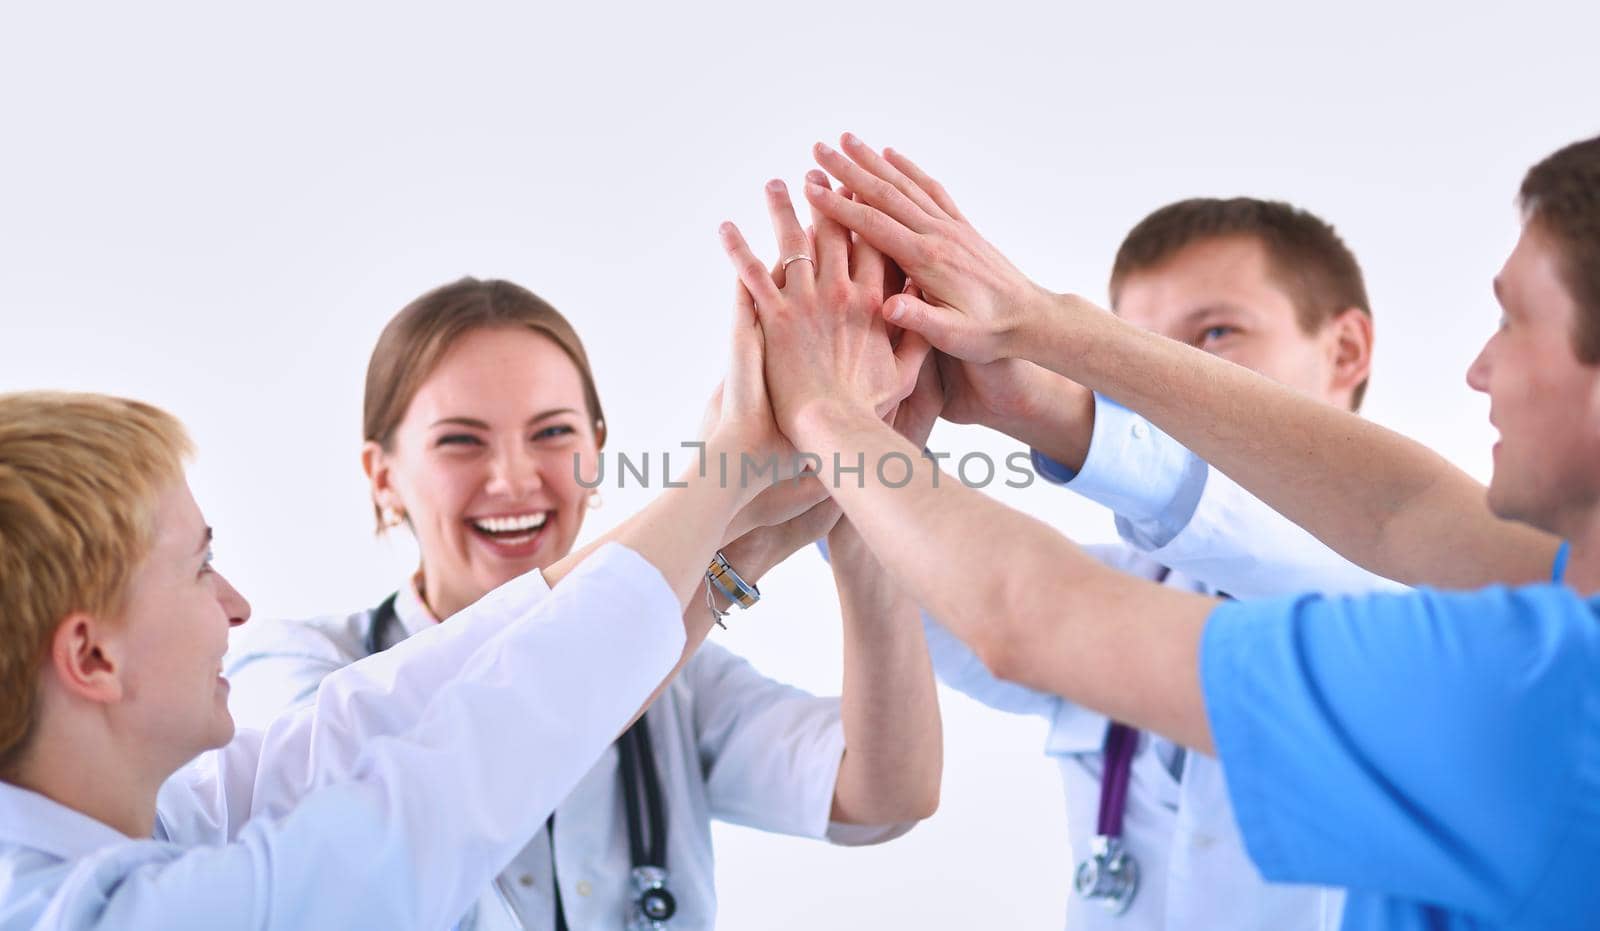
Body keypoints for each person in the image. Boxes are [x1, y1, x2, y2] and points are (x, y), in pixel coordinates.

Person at [715, 131, 1599, 929]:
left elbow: (1026, 613)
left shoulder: (1533, 685)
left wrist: (830, 418)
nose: (1479, 368)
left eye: (1515, 320)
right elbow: (1403, 510)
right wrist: (1040, 348)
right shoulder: (1551, 617)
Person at [0, 289, 878, 928]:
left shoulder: (160, 816)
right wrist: (723, 477)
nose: (236, 604)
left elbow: (388, 711)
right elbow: (459, 769)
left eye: (553, 431)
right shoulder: (104, 914)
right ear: (93, 659)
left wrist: (740, 525)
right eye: (200, 569)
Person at [224, 269, 941, 929]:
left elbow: (884, 796)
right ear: (382, 476)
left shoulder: (682, 675)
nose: (513, 478)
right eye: (460, 441)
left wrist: (862, 487)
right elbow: (390, 808)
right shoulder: (292, 669)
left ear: (597, 449)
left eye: (554, 433)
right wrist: (729, 500)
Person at [890, 195, 1404, 930]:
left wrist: (1055, 410)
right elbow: (916, 584)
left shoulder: (1446, 592)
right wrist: (862, 414)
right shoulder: (1119, 587)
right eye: (1128, 347)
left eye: (1217, 332)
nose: (1156, 378)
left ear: (1346, 350)